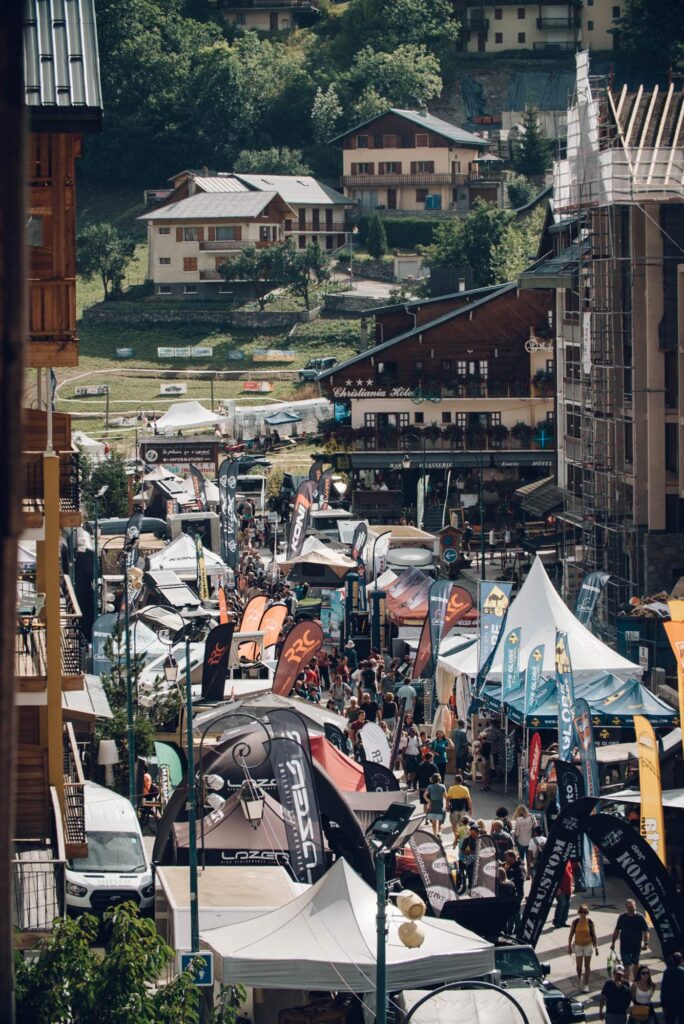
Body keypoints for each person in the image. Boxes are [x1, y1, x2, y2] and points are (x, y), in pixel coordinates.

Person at [611, 900, 650, 982]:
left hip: (636, 947)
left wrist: (646, 943)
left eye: (632, 907)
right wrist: (613, 943)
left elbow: (646, 931)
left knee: (635, 965)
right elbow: (617, 930)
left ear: (635, 906)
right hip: (625, 947)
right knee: (627, 967)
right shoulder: (622, 917)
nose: (631, 909)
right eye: (629, 907)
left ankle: (635, 985)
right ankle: (626, 986)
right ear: (626, 907)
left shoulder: (640, 917)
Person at [569, 904, 599, 992]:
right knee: (579, 967)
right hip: (578, 945)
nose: (583, 914)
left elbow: (594, 935)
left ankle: (586, 984)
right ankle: (580, 979)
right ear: (578, 912)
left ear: (587, 912)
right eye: (581, 912)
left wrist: (596, 947)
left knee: (587, 966)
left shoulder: (590, 922)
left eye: (585, 912)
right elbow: (571, 935)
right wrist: (569, 946)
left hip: (588, 945)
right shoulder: (575, 922)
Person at [503, 850, 525, 935]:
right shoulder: (509, 866)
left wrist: (509, 881)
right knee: (511, 913)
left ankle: (519, 929)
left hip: (517, 893)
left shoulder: (519, 867)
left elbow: (521, 879)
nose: (506, 859)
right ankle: (510, 930)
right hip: (510, 894)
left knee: (515, 913)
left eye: (507, 857)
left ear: (512, 857)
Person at [447, 774, 473, 844]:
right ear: (462, 781)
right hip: (463, 808)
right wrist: (470, 809)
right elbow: (468, 800)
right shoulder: (465, 788)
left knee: (454, 824)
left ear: (455, 780)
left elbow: (448, 799)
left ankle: (456, 838)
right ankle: (462, 838)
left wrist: (447, 806)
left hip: (454, 808)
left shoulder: (451, 788)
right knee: (463, 824)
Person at [661, 952, 684, 1024]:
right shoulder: (683, 971)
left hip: (670, 1002)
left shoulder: (667, 972)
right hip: (681, 1002)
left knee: (670, 1020)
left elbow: (664, 988)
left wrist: (663, 1003)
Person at [424, 772, 447, 837]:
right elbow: (446, 797)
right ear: (439, 779)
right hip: (440, 805)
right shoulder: (443, 786)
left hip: (432, 805)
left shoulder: (429, 787)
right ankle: (439, 833)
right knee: (441, 822)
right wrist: (448, 804)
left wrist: (428, 801)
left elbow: (425, 795)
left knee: (434, 823)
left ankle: (434, 836)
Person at [553, 859, 574, 927]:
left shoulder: (568, 861)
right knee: (562, 903)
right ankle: (557, 921)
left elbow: (570, 872)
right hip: (560, 887)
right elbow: (554, 875)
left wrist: (572, 885)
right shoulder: (557, 862)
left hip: (567, 886)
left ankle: (563, 921)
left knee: (567, 904)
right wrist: (557, 887)